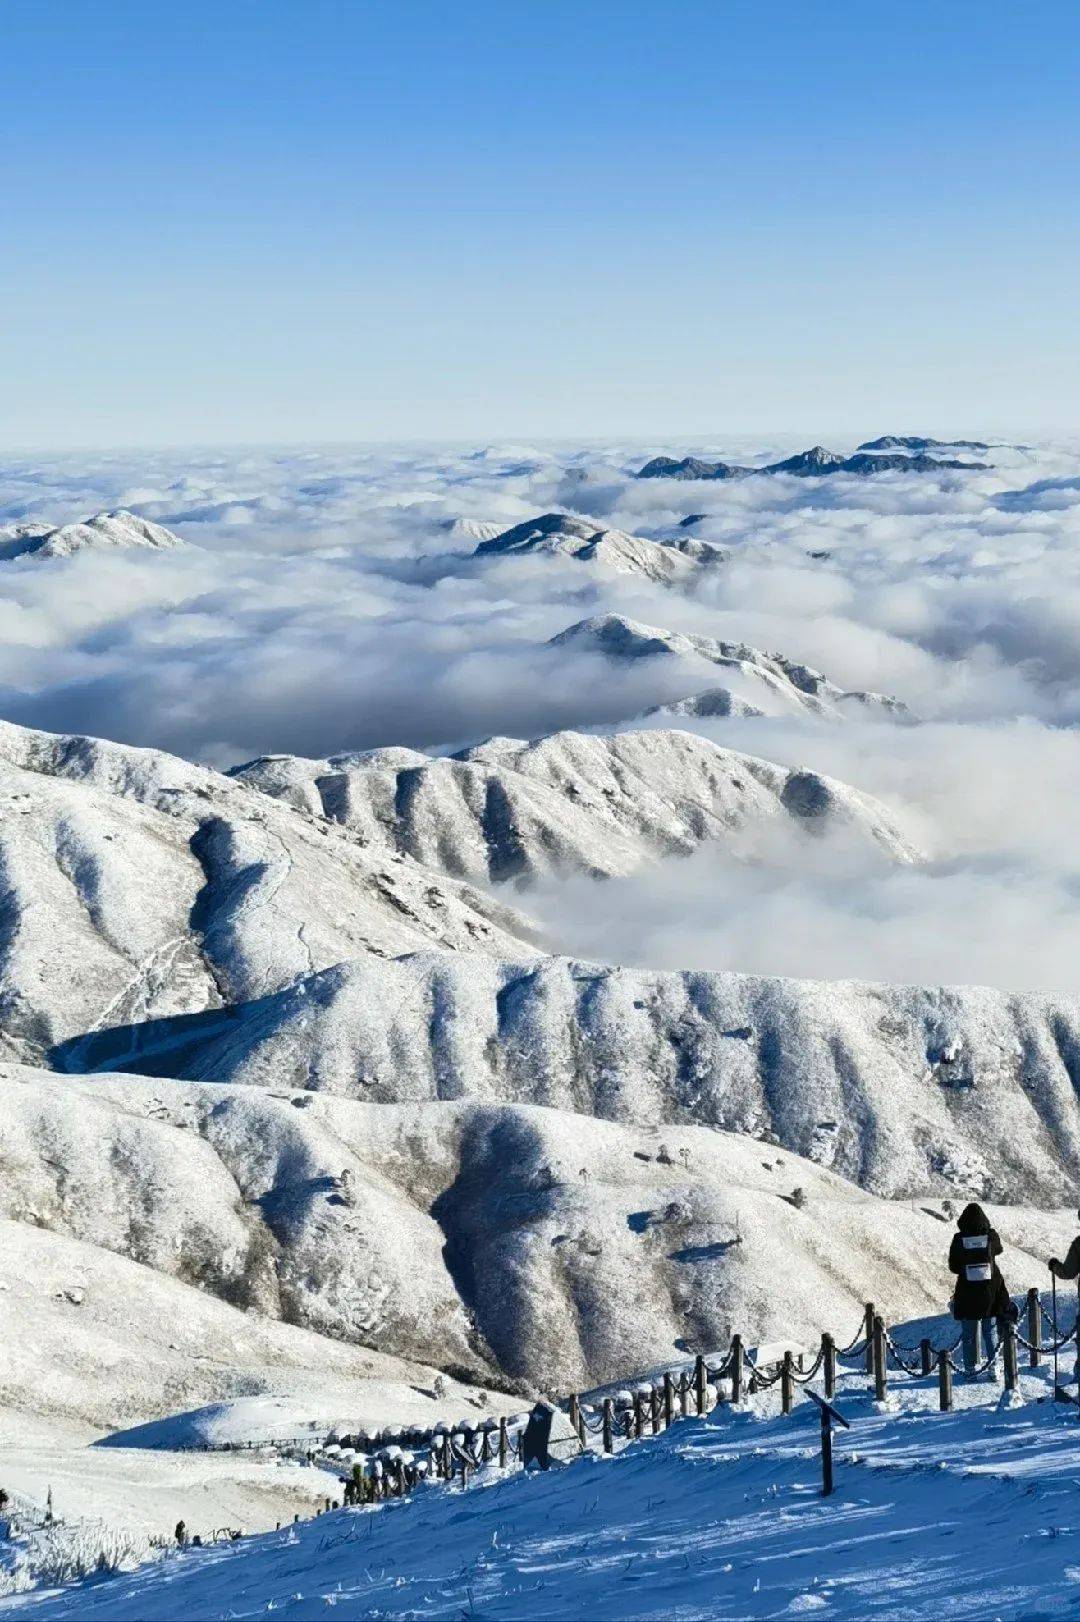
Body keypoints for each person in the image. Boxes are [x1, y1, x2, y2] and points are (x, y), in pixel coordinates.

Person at [948, 1202, 1012, 1379]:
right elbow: (999, 1250)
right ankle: (994, 1369)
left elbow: (953, 1267)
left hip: (967, 1290)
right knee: (989, 1330)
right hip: (989, 1291)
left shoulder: (959, 1239)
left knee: (969, 1333)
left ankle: (970, 1370)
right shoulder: (991, 1236)